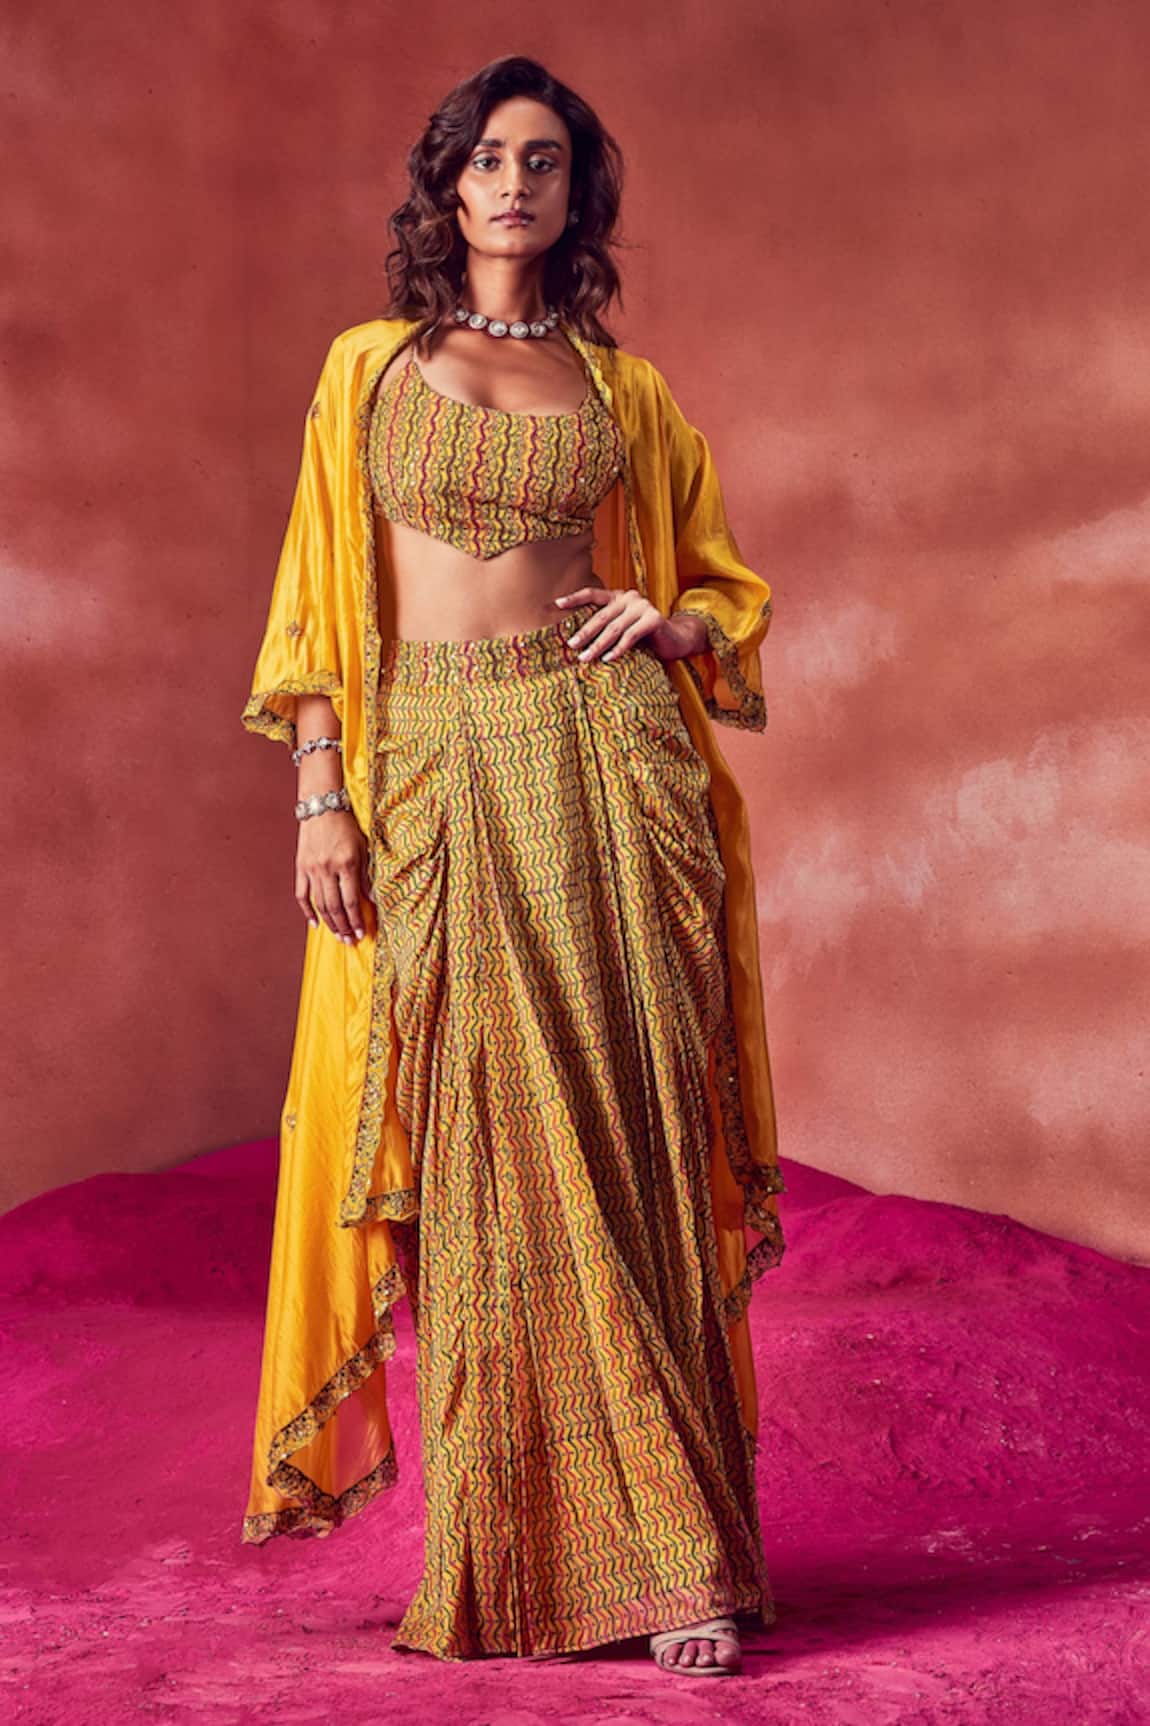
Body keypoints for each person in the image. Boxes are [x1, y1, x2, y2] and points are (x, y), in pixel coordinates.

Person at [239, 53, 787, 1677]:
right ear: (446, 183)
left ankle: (679, 1554)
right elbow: (317, 597)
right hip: (426, 772)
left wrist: (670, 622)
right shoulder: (368, 369)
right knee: (482, 1160)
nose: (513, 183)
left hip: (601, 766)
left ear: (575, 194)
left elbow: (719, 586)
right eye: (487, 156)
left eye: (543, 160)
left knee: (622, 1142)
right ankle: (514, 1565)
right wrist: (319, 795)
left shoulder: (625, 392)